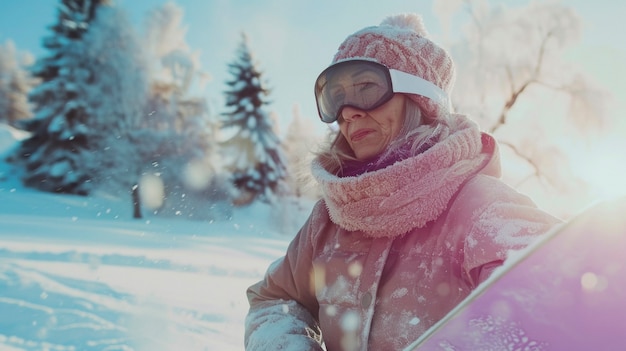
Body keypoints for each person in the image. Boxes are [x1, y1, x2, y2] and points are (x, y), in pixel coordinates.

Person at [244, 13, 562, 351]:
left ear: (420, 98)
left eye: (366, 88)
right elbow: (274, 301)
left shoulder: (479, 208)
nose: (348, 112)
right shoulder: (329, 220)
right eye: (335, 97)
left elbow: (557, 296)